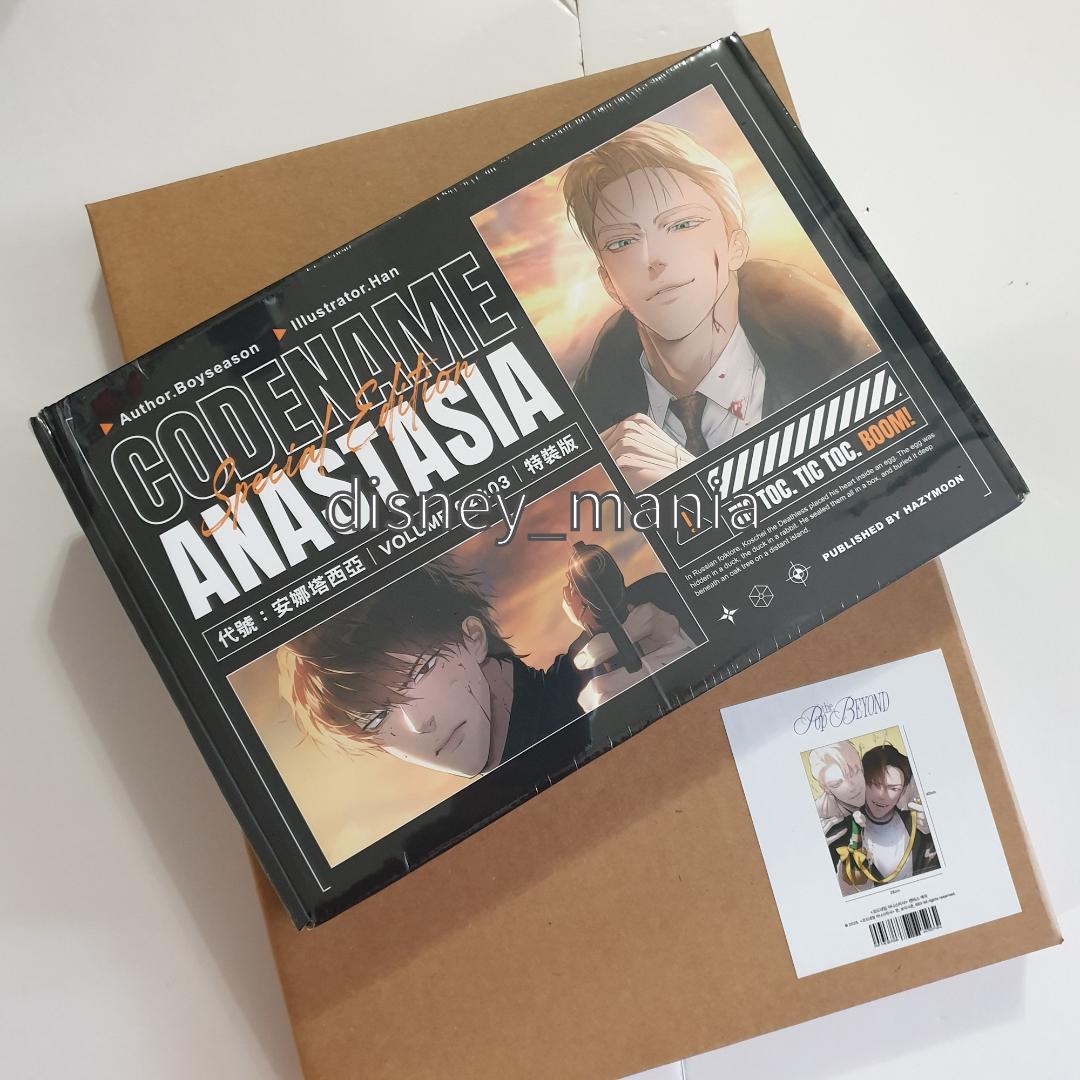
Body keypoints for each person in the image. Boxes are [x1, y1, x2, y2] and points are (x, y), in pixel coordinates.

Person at [562, 120, 874, 490]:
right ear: (609, 283)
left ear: (735, 246)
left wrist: (698, 485)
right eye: (622, 243)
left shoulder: (845, 367)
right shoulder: (596, 424)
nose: (653, 258)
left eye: (682, 225)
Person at [280, 554, 695, 778]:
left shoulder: (628, 640)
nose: (417, 726)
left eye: (422, 670)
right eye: (375, 719)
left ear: (472, 637)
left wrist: (693, 674)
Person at [828, 744, 938, 894]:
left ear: (903, 791)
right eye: (875, 784)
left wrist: (933, 830)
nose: (882, 795)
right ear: (863, 782)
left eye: (894, 788)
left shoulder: (918, 825)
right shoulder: (840, 833)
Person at [808, 740, 865, 833]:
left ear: (861, 765)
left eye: (854, 772)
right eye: (837, 784)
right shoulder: (817, 816)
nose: (851, 787)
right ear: (826, 789)